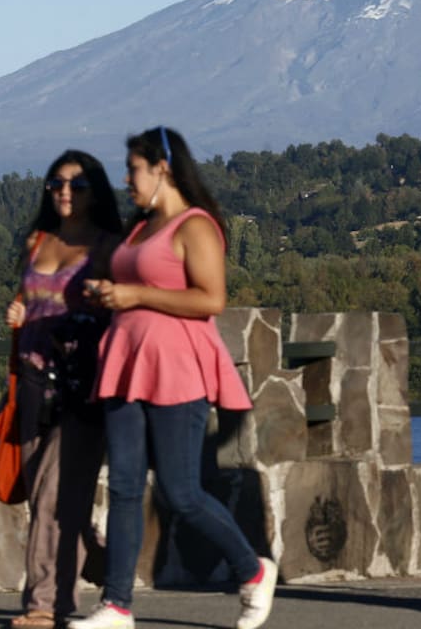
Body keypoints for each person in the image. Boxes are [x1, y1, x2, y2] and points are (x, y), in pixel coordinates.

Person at [69, 127, 275, 629]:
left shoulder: (195, 226)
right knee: (121, 487)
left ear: (162, 167)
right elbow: (137, 281)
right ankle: (117, 605)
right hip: (126, 365)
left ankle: (252, 570)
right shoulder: (140, 227)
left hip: (177, 369)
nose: (126, 178)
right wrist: (108, 292)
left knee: (180, 492)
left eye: (133, 168)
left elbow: (211, 299)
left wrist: (135, 296)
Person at [5, 150, 123, 629]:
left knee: (56, 495)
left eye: (77, 184)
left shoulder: (109, 247)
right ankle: (94, 554)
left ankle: (45, 602)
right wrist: (18, 312)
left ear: (96, 191)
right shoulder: (38, 241)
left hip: (83, 384)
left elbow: (122, 307)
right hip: (33, 385)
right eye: (56, 183)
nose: (65, 193)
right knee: (45, 496)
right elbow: (27, 296)